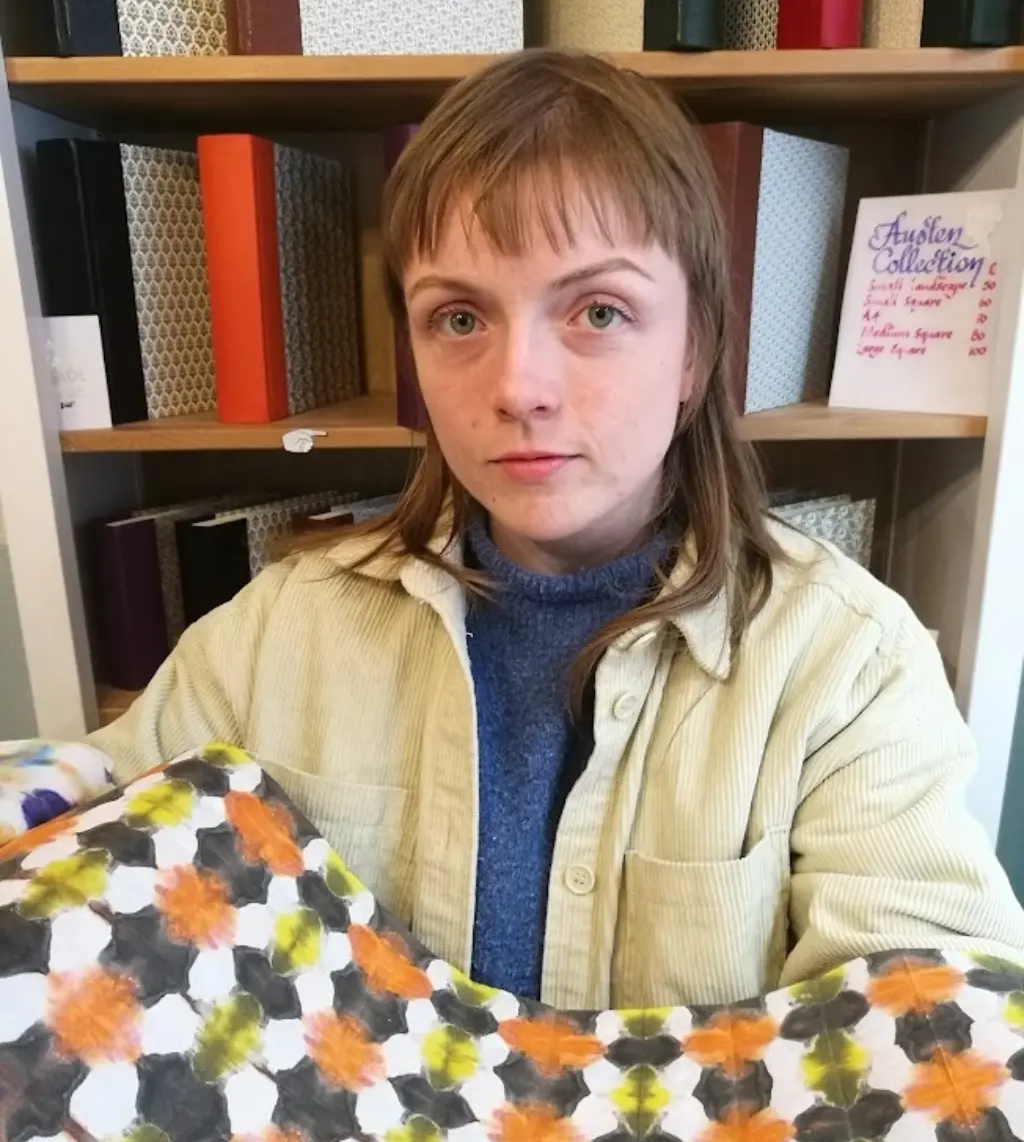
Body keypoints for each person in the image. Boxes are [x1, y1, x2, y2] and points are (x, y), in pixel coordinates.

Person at [89, 49, 1024, 1011]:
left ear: (695, 348)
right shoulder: (274, 636)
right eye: (458, 317)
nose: (517, 388)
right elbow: (84, 837)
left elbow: (934, 1007)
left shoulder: (846, 666)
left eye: (600, 310)